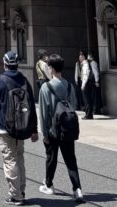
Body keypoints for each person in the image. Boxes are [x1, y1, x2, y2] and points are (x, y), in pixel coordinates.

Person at [0, 51, 38, 206]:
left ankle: (16, 195)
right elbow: (32, 106)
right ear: (17, 64)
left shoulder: (0, 81)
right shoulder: (25, 81)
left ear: (5, 64)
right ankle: (21, 190)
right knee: (19, 158)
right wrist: (34, 129)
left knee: (10, 160)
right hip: (22, 127)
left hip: (5, 127)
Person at [37, 54, 83, 202]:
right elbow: (74, 105)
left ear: (50, 69)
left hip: (52, 129)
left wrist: (44, 132)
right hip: (67, 128)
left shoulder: (46, 87)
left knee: (51, 158)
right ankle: (77, 189)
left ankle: (49, 185)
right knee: (71, 159)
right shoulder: (69, 85)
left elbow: (43, 112)